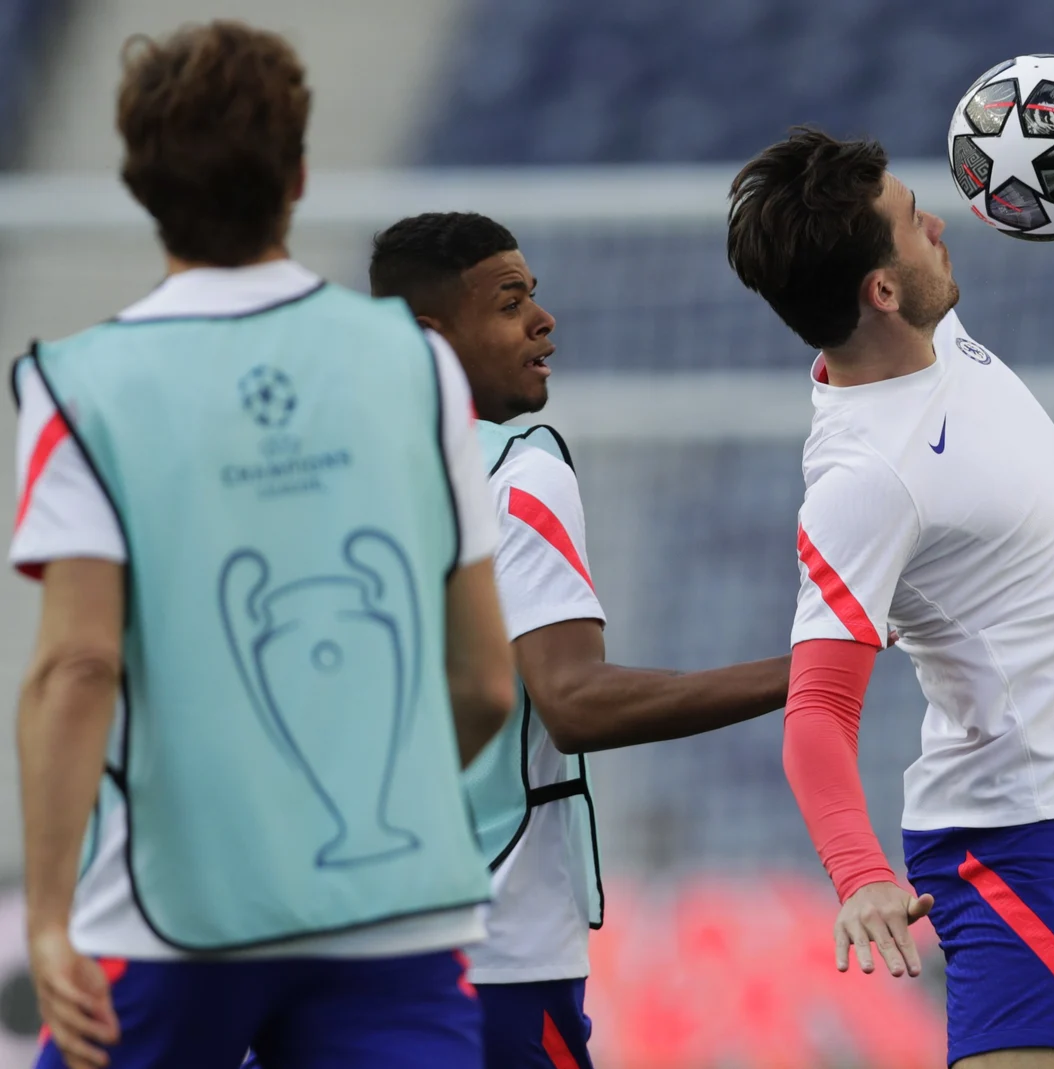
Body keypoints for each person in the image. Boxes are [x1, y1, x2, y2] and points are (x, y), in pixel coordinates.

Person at [13, 22, 516, 1069]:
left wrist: (50, 917)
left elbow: (77, 661)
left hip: (173, 912)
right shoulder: (415, 364)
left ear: (139, 184)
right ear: (297, 174)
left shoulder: (78, 387)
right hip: (393, 910)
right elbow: (484, 684)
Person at [726, 127, 1054, 1069]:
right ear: (880, 290)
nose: (939, 221)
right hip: (1013, 844)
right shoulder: (862, 479)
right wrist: (859, 874)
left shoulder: (935, 336)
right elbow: (817, 713)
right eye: (911, 222)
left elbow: (1005, 504)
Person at [365, 211, 795, 1069]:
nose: (543, 319)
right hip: (490, 953)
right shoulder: (520, 473)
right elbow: (575, 702)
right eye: (510, 300)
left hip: (333, 938)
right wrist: (813, 669)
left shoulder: (335, 476)